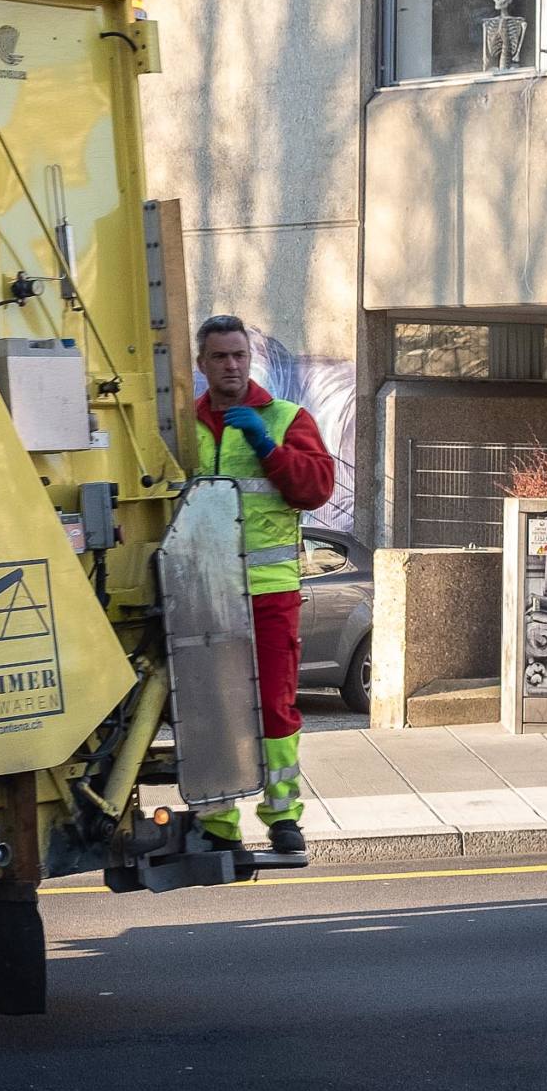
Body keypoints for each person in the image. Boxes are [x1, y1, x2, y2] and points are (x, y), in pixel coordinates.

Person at [189, 314, 337, 854]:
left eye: (239, 356)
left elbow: (317, 488)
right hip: (203, 593)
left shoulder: (284, 417)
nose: (231, 365)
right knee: (211, 710)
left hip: (269, 591)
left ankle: (283, 818)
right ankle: (218, 825)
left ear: (250, 360)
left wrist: (270, 450)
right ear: (202, 364)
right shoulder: (184, 426)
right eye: (220, 357)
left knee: (274, 706)